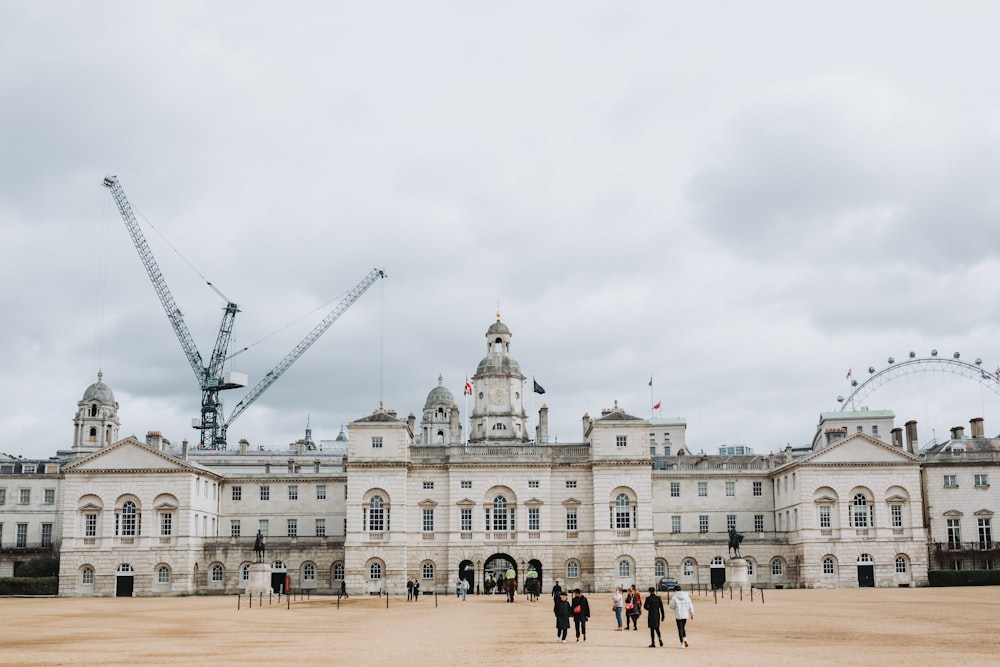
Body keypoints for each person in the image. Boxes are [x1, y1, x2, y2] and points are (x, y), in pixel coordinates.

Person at [668, 584, 694, 648]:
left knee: (680, 629)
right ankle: (685, 638)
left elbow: (671, 606)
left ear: (675, 590)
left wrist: (675, 607)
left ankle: (682, 643)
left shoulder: (674, 597)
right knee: (683, 627)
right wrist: (692, 613)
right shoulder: (687, 596)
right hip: (685, 614)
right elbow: (690, 605)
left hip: (678, 614)